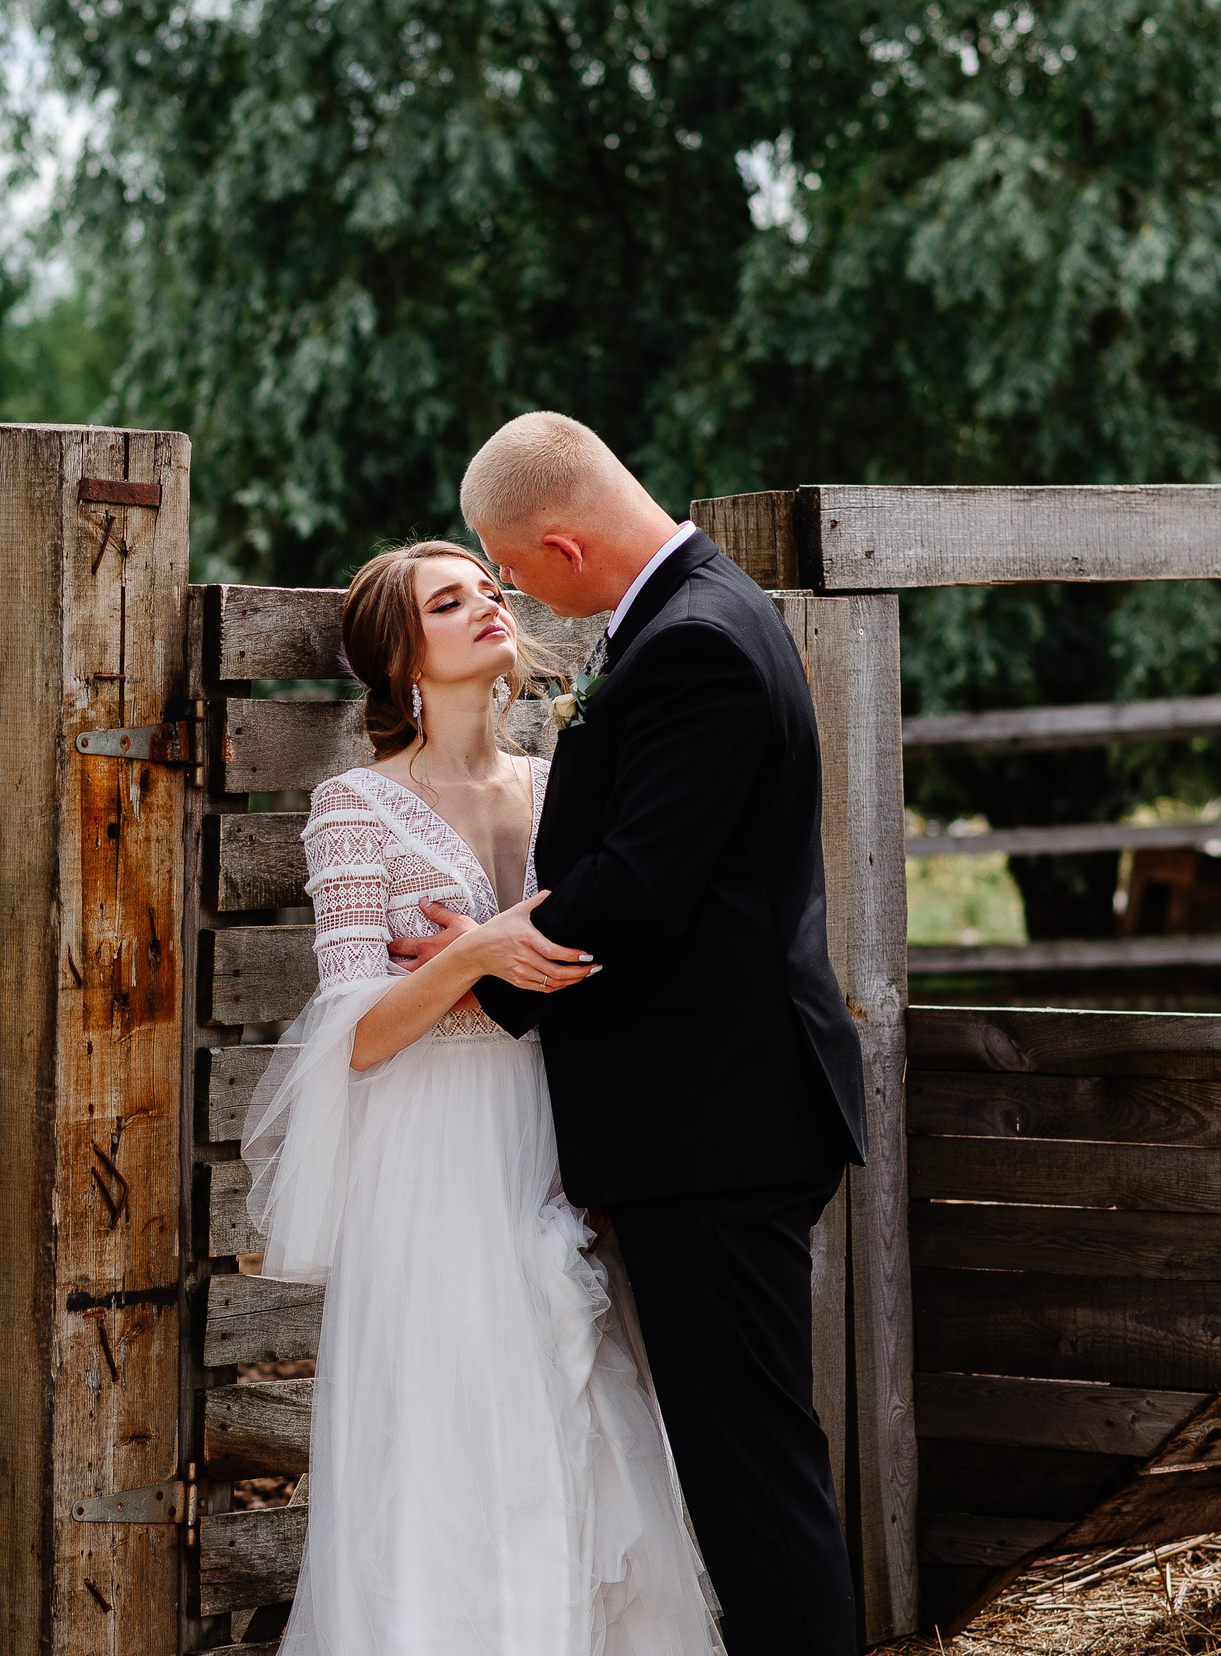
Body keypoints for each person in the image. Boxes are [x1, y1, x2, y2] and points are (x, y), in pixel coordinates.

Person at [397, 412, 869, 1656]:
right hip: (707, 1119)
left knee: (752, 1480)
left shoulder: (695, 643)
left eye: (508, 567)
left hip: (715, 1127)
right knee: (743, 1462)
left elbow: (637, 889)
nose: (511, 593)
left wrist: (467, 970)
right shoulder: (694, 615)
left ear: (558, 541)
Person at [243, 537, 720, 1656]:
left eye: (489, 588)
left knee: (580, 1410)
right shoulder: (354, 808)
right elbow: (355, 1032)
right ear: (402, 656)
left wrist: (490, 957)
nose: (486, 605)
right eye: (447, 600)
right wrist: (478, 955)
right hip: (433, 1154)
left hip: (558, 1125)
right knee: (459, 1428)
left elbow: (616, 960)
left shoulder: (564, 783)